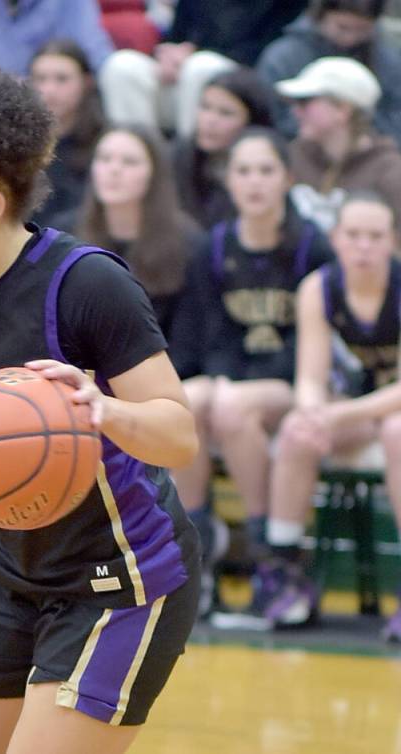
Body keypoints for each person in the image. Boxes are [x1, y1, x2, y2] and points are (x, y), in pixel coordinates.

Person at [0, 64, 201, 754]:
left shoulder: (86, 285)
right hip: (10, 568)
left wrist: (105, 412)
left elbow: (180, 435)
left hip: (120, 579)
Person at [168, 128, 335, 619]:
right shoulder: (214, 248)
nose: (254, 181)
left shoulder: (311, 247)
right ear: (229, 180)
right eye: (243, 171)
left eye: (266, 170)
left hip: (296, 381)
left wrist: (237, 383)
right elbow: (205, 333)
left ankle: (268, 553)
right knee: (184, 403)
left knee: (231, 407)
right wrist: (223, 376)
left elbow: (310, 342)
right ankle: (195, 547)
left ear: (287, 178)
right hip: (232, 377)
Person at [254, 193, 401, 637]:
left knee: (397, 430)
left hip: (389, 412)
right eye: (353, 235)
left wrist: (337, 416)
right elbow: (310, 378)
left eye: (375, 236)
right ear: (335, 238)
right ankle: (284, 570)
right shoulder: (318, 289)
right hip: (354, 412)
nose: (363, 246)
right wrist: (313, 414)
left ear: (392, 241)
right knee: (297, 430)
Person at [55, 125, 202, 340]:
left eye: (129, 162)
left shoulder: (188, 242)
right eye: (104, 159)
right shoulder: (63, 236)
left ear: (154, 174)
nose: (114, 170)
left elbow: (189, 337)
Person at [97, 0, 305, 138]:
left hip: (240, 83)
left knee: (201, 67)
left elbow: (268, 47)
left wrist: (193, 54)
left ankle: (188, 162)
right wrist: (168, 55)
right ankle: (136, 156)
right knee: (123, 66)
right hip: (185, 73)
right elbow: (178, 33)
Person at [275, 56, 401, 231]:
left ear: (343, 109)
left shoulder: (389, 171)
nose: (296, 111)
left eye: (305, 102)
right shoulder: (293, 157)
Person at [256, 0, 401, 144]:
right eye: (342, 27)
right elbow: (270, 113)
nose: (350, 38)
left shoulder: (388, 61)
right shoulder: (284, 57)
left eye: (362, 29)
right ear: (320, 18)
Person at [171, 67, 276, 229]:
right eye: (205, 107)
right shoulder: (179, 155)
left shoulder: (270, 165)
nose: (210, 120)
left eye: (225, 113)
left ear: (251, 122)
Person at [28, 40, 107, 225]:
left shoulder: (105, 142)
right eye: (40, 79)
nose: (49, 90)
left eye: (62, 79)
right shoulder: (17, 144)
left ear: (86, 82)